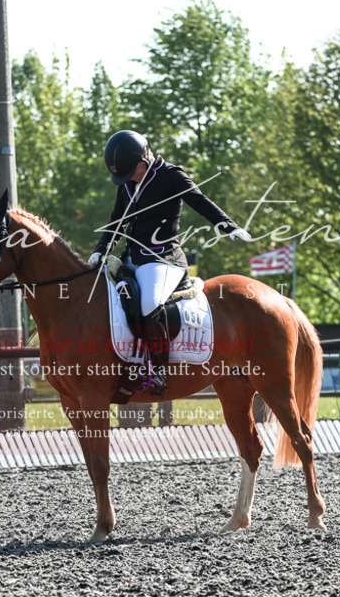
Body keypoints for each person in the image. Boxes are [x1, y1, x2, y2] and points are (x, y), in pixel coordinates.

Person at [88, 130, 251, 397]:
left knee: (150, 302)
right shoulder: (127, 183)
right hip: (133, 258)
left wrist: (228, 225)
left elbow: (200, 201)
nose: (129, 178)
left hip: (164, 259)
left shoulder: (170, 175)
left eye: (132, 171)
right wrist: (101, 250)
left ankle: (158, 372)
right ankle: (128, 364)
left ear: (145, 156)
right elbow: (117, 221)